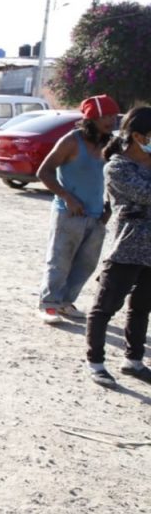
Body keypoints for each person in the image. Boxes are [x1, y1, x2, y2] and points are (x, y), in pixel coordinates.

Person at [35, 94, 119, 324]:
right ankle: (49, 304)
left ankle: (65, 302)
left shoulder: (110, 144)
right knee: (60, 260)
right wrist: (67, 197)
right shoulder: (72, 141)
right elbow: (44, 171)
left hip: (96, 215)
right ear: (92, 118)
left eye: (114, 115)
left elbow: (115, 178)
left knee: (86, 263)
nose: (111, 120)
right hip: (68, 212)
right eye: (106, 116)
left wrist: (109, 208)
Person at [84, 106, 151, 387]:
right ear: (137, 135)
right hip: (128, 248)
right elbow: (146, 195)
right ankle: (96, 362)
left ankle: (133, 361)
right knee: (105, 307)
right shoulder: (117, 167)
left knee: (142, 307)